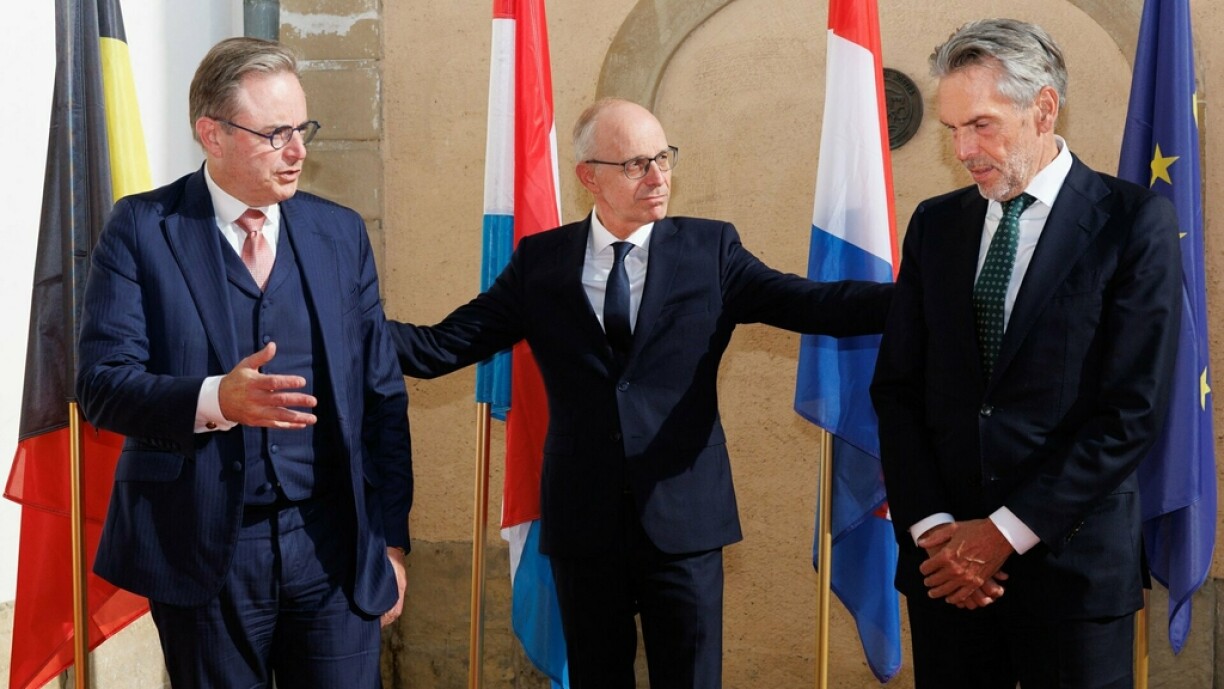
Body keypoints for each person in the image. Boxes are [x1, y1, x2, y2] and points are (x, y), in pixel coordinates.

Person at [388, 97, 891, 689]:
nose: (657, 178)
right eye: (635, 165)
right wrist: (331, 322)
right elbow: (439, 347)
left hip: (685, 522)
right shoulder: (541, 262)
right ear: (588, 177)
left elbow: (813, 303)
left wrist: (922, 295)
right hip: (584, 522)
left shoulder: (712, 250)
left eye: (663, 158)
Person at [76, 37, 412, 688]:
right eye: (276, 133)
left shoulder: (340, 233)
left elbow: (381, 397)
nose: (298, 150)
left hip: (333, 547)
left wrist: (390, 544)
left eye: (303, 128)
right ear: (213, 134)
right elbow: (102, 385)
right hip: (203, 553)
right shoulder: (142, 229)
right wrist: (216, 400)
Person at [871, 18, 1182, 689]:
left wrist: (1004, 532)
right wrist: (935, 531)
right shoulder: (936, 223)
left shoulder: (1131, 223)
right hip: (945, 574)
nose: (963, 150)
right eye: (952, 129)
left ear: (1043, 108)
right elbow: (897, 389)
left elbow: (1131, 409)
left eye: (981, 125)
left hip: (1072, 578)